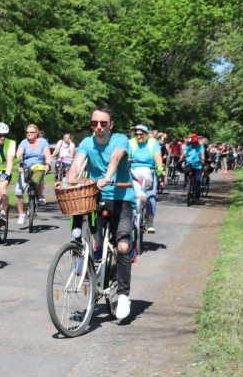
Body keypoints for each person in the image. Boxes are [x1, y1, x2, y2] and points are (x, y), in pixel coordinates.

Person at [66, 106, 136, 321]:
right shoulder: (87, 142)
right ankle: (80, 251)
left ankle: (123, 295)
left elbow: (115, 157)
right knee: (79, 215)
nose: (98, 127)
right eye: (94, 123)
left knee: (123, 245)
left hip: (121, 196)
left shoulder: (120, 140)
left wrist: (106, 177)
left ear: (110, 125)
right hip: (95, 194)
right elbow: (77, 162)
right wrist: (70, 180)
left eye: (103, 123)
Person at [128, 123, 164, 233]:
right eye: (137, 134)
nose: (139, 136)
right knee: (129, 194)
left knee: (151, 197)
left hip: (149, 172)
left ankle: (150, 222)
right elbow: (126, 157)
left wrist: (160, 171)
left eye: (141, 134)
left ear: (147, 134)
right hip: (133, 172)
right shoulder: (131, 142)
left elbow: (158, 157)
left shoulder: (153, 143)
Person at [14, 124, 52, 226]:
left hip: (39, 168)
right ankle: (21, 214)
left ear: (37, 133)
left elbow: (48, 156)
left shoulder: (43, 142)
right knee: (18, 191)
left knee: (39, 174)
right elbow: (17, 156)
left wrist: (47, 165)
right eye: (27, 132)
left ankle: (40, 195)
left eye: (32, 132)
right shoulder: (24, 143)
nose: (29, 134)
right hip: (26, 168)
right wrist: (18, 166)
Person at [180, 134, 206, 202]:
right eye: (193, 142)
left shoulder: (200, 147)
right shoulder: (188, 147)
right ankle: (187, 183)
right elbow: (184, 153)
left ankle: (197, 195)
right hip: (189, 163)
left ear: (197, 142)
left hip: (198, 164)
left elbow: (202, 154)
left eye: (195, 142)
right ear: (191, 142)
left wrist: (203, 160)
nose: (194, 143)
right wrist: (181, 158)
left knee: (197, 180)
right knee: (187, 172)